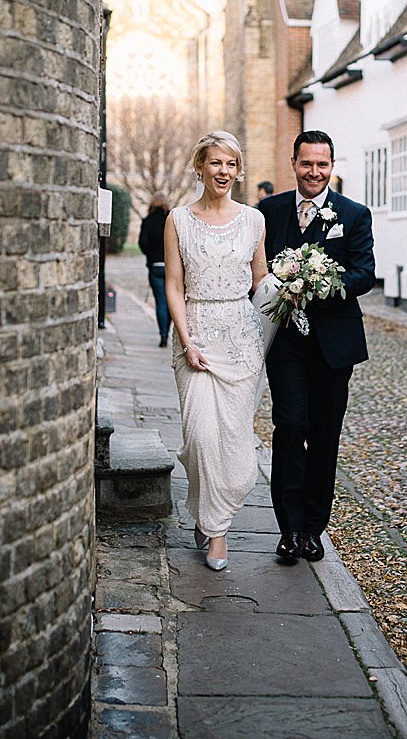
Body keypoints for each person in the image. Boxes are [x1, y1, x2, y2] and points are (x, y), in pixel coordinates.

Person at [257, 130, 375, 564]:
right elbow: (255, 270)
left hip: (333, 346)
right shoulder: (267, 212)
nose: (314, 172)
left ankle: (312, 529)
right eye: (306, 164)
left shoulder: (354, 214)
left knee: (325, 438)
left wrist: (322, 283)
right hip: (285, 341)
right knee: (290, 428)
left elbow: (364, 273)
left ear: (332, 166)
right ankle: (287, 529)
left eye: (322, 165)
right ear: (294, 163)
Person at [164, 131, 268, 571]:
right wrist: (187, 341)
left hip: (242, 341)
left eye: (230, 164)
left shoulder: (254, 221)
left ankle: (215, 524)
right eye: (215, 163)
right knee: (201, 438)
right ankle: (213, 521)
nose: (223, 171)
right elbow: (174, 284)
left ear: (238, 170)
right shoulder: (178, 220)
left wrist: (296, 290)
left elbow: (261, 282)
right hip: (197, 336)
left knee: (234, 441)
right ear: (200, 167)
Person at [136, 195, 171, 346]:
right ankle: (167, 331)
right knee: (171, 301)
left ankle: (163, 334)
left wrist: (151, 255)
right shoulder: (171, 219)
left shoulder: (148, 221)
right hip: (171, 267)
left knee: (160, 301)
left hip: (155, 266)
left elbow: (142, 242)